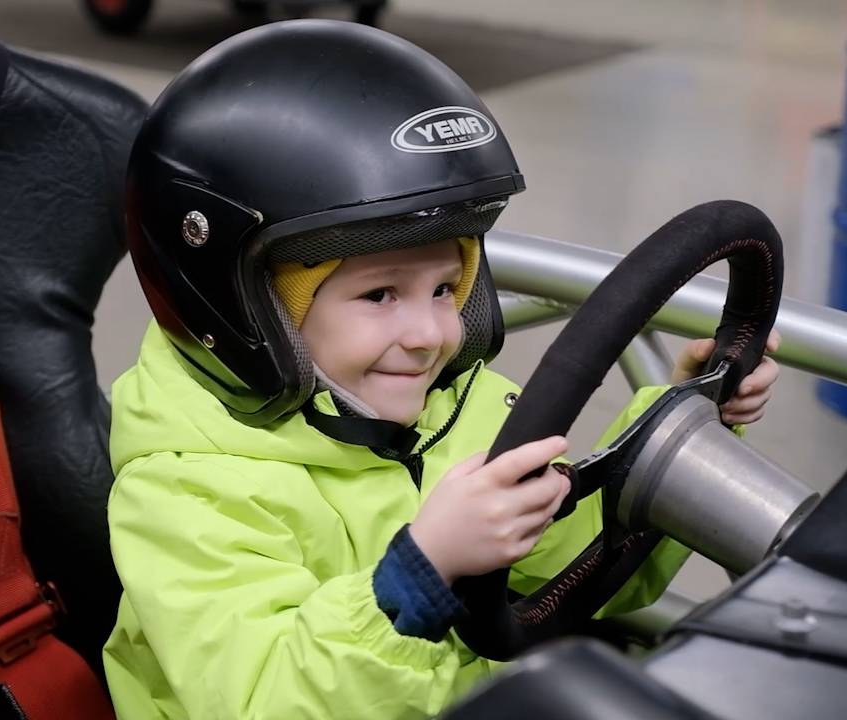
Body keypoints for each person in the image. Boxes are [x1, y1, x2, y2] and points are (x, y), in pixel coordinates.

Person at [102, 19, 779, 720]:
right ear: (244, 306)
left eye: (445, 289)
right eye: (379, 295)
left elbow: (567, 576)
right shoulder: (187, 490)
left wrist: (677, 435)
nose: (431, 334)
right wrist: (416, 578)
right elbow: (264, 699)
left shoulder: (458, 409)